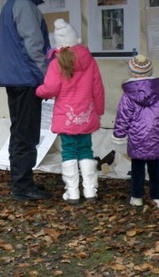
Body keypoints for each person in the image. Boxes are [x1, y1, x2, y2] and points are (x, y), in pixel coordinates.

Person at [0, 0, 52, 201]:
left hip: (17, 78)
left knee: (20, 132)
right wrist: (46, 79)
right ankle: (22, 186)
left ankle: (22, 182)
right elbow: (33, 47)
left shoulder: (15, 3)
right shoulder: (24, 5)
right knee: (25, 134)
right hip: (26, 79)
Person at [36, 19, 105, 204]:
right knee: (86, 149)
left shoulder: (56, 64)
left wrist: (38, 91)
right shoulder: (90, 61)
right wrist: (98, 110)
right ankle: (90, 190)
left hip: (66, 117)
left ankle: (72, 192)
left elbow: (49, 88)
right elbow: (97, 88)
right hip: (86, 114)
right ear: (77, 39)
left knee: (68, 151)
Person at [112, 54, 159, 208]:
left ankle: (136, 197)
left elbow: (122, 117)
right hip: (155, 136)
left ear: (131, 72)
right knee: (155, 168)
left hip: (136, 138)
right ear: (150, 71)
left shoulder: (128, 95)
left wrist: (119, 135)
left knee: (137, 168)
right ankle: (158, 197)